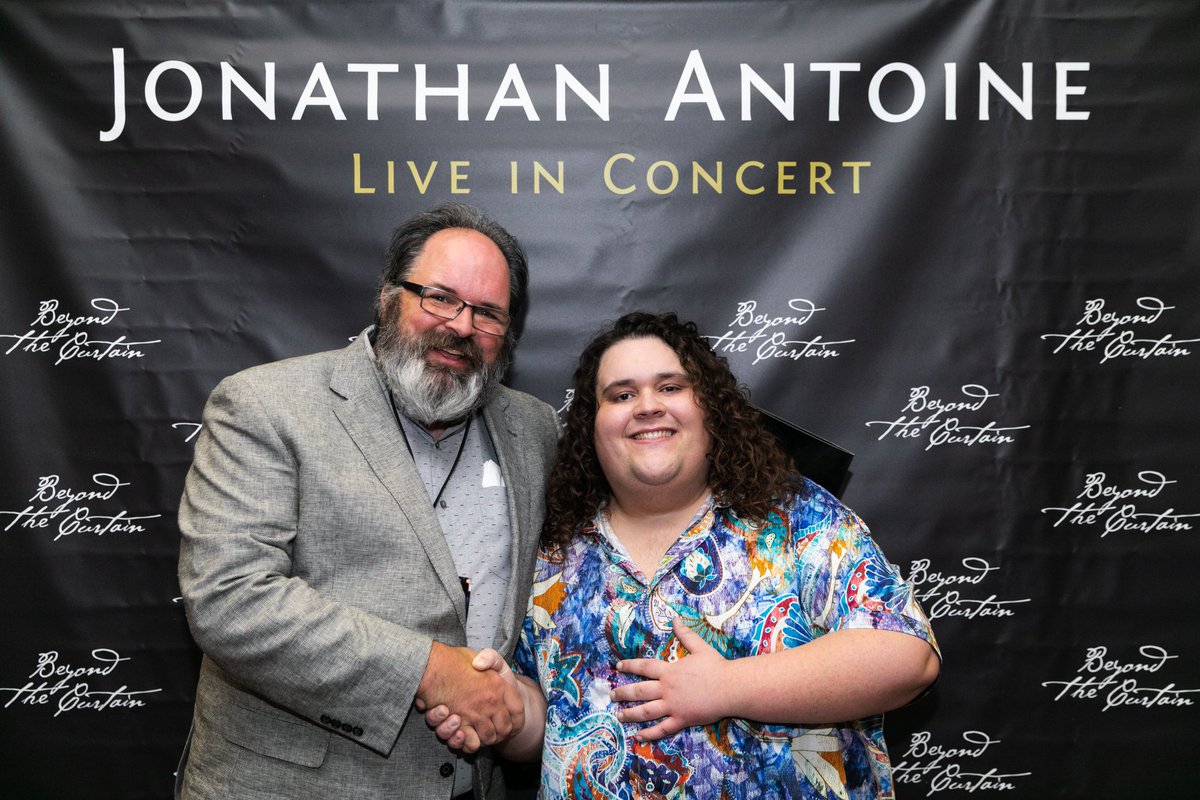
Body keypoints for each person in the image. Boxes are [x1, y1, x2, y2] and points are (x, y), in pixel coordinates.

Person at [427, 311, 940, 799]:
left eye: (670, 387)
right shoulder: (557, 550)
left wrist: (725, 688)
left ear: (709, 409)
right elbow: (546, 726)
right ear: (592, 426)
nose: (647, 405)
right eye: (621, 394)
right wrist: (510, 709)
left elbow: (905, 656)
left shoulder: (792, 515)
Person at [175, 202, 560, 800]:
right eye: (439, 296)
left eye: (487, 312)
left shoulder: (534, 429)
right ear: (387, 296)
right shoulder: (264, 405)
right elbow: (229, 599)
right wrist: (431, 673)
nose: (460, 325)